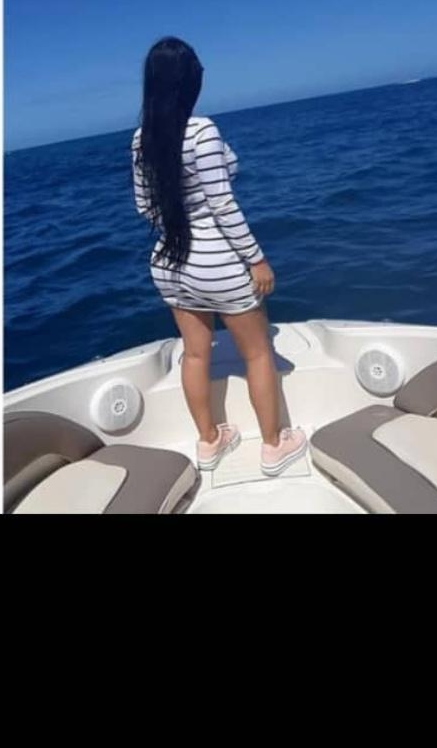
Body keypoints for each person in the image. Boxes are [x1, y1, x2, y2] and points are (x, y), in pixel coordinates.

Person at [131, 36, 307, 477]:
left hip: (168, 263)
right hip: (218, 263)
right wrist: (256, 259)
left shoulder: (140, 139)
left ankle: (209, 442)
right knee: (258, 354)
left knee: (195, 355)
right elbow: (223, 205)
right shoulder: (202, 131)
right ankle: (273, 446)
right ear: (190, 80)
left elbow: (145, 207)